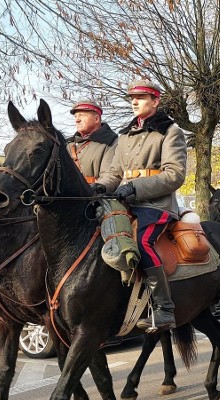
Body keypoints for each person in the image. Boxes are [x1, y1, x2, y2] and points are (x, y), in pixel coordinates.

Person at [94, 80, 187, 333]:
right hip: (124, 202)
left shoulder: (170, 132)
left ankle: (164, 309)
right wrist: (100, 187)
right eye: (132, 98)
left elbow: (175, 175)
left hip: (156, 204)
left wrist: (135, 188)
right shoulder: (124, 136)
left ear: (155, 101)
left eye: (141, 97)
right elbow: (114, 173)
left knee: (142, 240)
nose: (134, 101)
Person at [66, 100, 118, 184]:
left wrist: (96, 189)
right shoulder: (68, 145)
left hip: (95, 195)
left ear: (96, 119)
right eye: (75, 116)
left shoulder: (110, 142)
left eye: (82, 115)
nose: (77, 120)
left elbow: (109, 176)